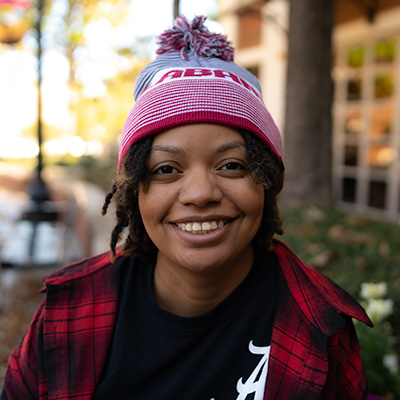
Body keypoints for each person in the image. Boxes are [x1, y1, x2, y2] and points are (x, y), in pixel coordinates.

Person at [1, 15, 372, 400]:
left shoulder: (320, 327)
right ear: (135, 192)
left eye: (231, 165)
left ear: (266, 181)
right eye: (166, 169)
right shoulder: (66, 315)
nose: (199, 193)